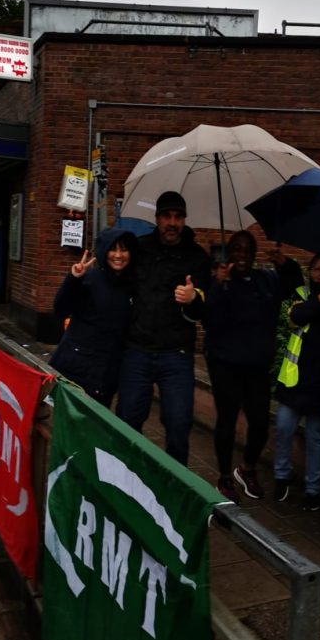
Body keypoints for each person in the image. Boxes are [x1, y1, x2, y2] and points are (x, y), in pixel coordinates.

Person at [204, 230, 302, 503]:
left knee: (259, 421)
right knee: (227, 419)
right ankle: (224, 477)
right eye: (236, 249)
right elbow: (208, 319)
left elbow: (294, 284)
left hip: (257, 364)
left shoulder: (266, 280)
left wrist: (284, 262)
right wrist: (217, 284)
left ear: (254, 253)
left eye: (247, 250)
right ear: (230, 252)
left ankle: (246, 468)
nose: (242, 255)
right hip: (225, 363)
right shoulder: (221, 281)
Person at [116, 191, 211, 465]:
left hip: (176, 354)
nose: (172, 222)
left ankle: (173, 487)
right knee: (127, 420)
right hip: (137, 350)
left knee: (179, 424)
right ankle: (124, 477)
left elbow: (204, 308)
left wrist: (194, 299)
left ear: (184, 220)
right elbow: (118, 280)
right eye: (167, 216)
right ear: (157, 219)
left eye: (178, 217)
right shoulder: (139, 249)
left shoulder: (197, 257)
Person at [273, 254, 320, 511]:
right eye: (318, 269)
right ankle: (282, 476)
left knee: (317, 437)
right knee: (283, 428)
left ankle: (313, 489)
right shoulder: (302, 293)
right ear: (310, 272)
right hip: (295, 379)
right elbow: (298, 317)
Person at [50, 225, 137, 407]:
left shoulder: (132, 285)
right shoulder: (90, 278)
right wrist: (73, 279)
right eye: (113, 249)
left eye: (124, 249)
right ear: (105, 251)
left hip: (106, 374)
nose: (118, 255)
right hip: (76, 368)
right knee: (67, 424)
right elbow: (60, 309)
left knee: (93, 428)